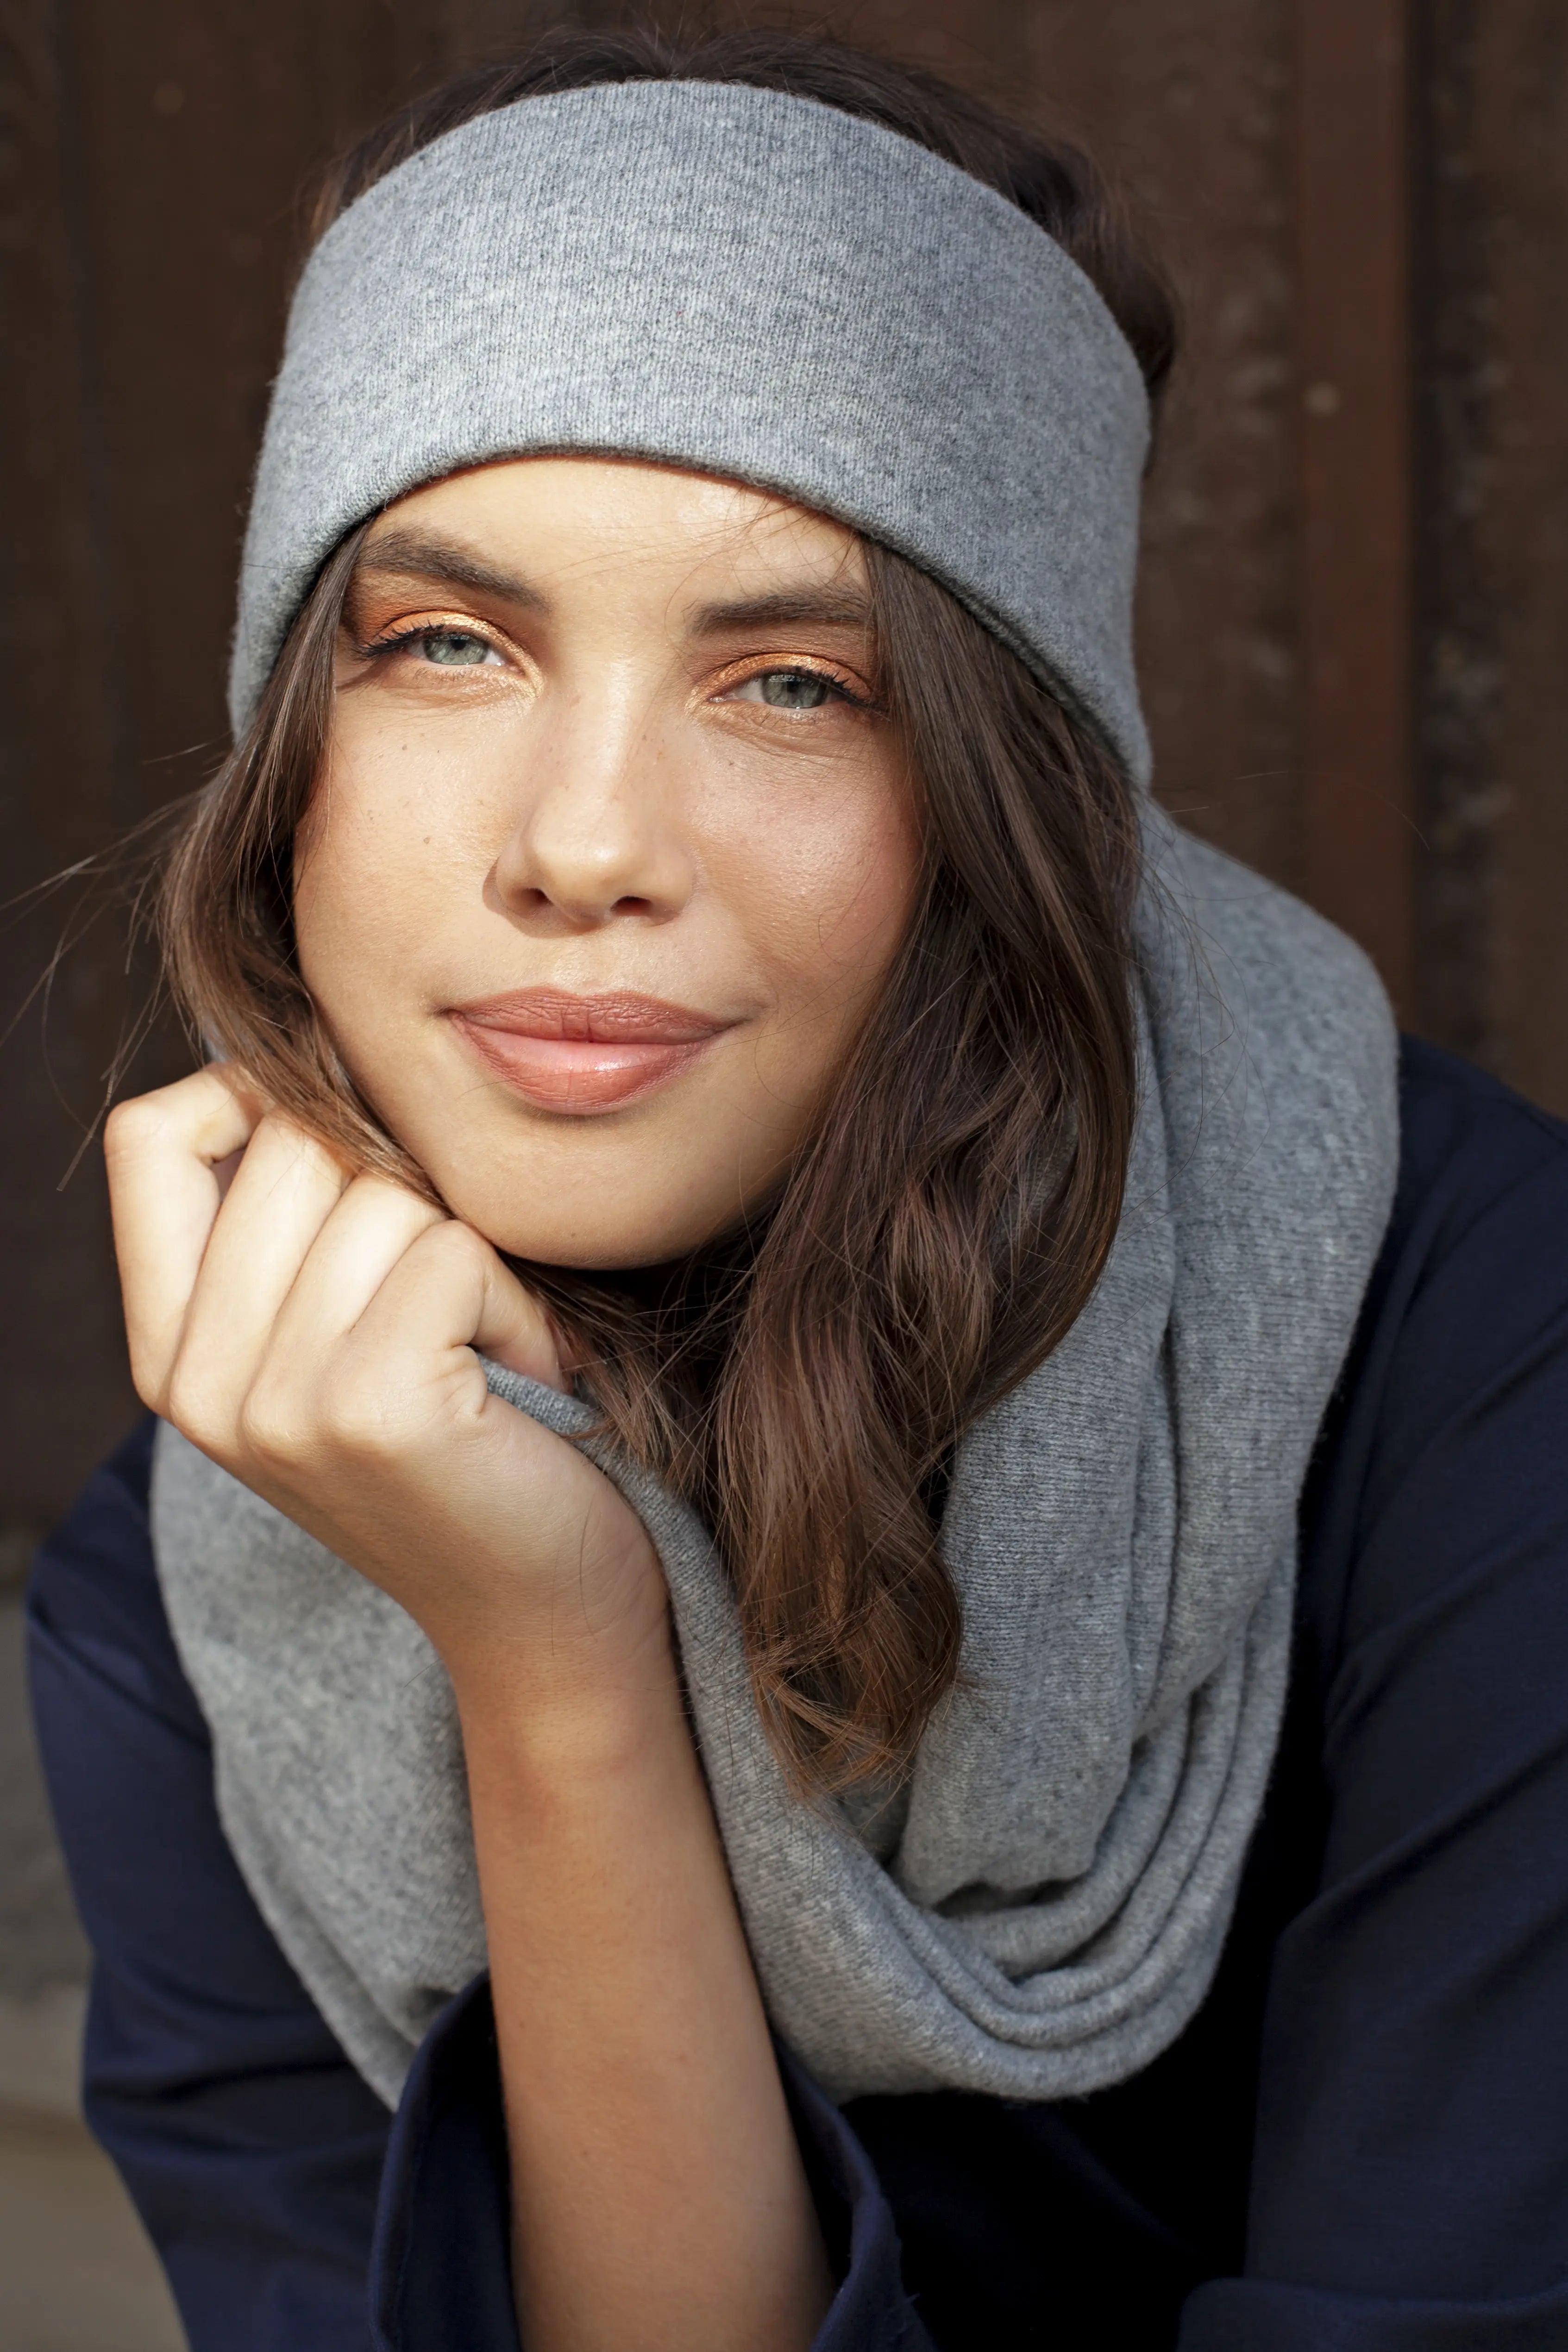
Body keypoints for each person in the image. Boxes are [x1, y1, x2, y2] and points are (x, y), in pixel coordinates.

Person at [27, 26, 1568, 2352]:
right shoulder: (221, 1604)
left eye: (795, 683)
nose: (584, 847)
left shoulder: (1471, 1362)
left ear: (1007, 790)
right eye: (446, 645)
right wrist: (555, 1660)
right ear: (291, 761)